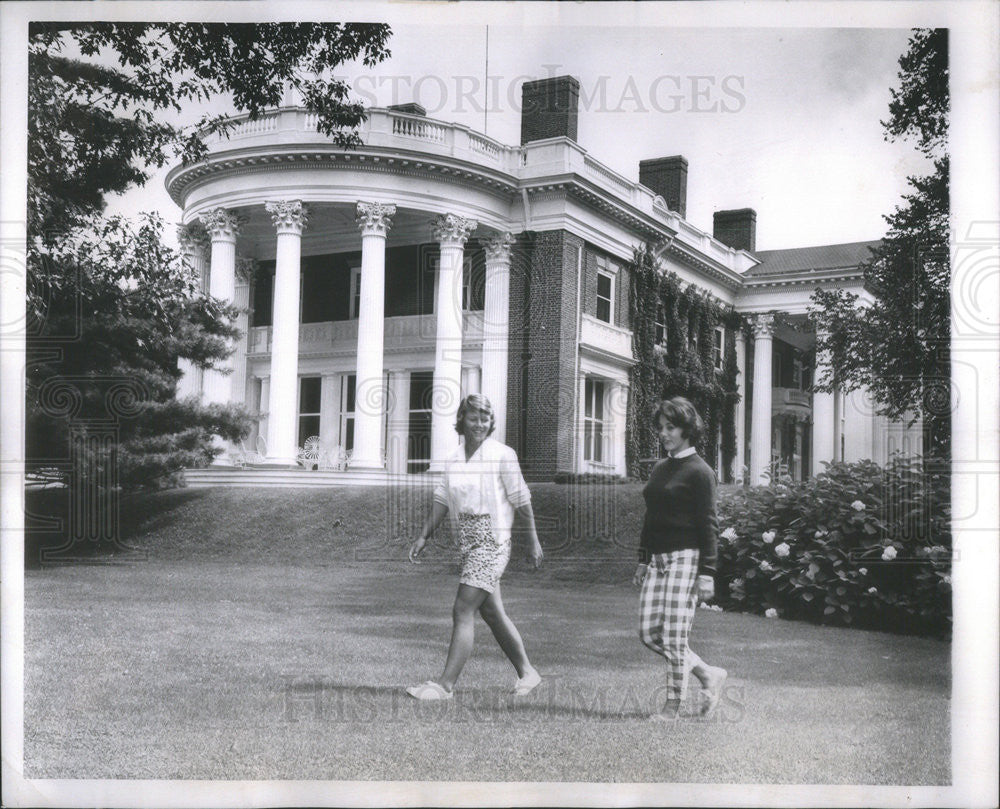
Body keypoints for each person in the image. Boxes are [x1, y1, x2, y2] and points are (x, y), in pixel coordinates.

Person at [406, 393, 544, 700]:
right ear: (462, 420)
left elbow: (522, 500)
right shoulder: (454, 458)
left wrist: (533, 540)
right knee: (492, 614)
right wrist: (424, 536)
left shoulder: (502, 455)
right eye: (473, 417)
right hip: (467, 542)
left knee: (463, 609)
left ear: (491, 422)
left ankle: (444, 686)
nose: (480, 423)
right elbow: (442, 500)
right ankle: (528, 673)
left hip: (492, 541)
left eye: (485, 417)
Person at [633, 396, 728, 721]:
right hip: (658, 560)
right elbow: (651, 517)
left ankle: (672, 707)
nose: (663, 433)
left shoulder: (701, 472)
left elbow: (708, 523)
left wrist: (708, 572)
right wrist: (643, 559)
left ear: (687, 429)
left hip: (687, 559)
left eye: (670, 427)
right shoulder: (661, 468)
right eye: (660, 428)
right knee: (648, 633)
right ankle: (706, 674)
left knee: (674, 636)